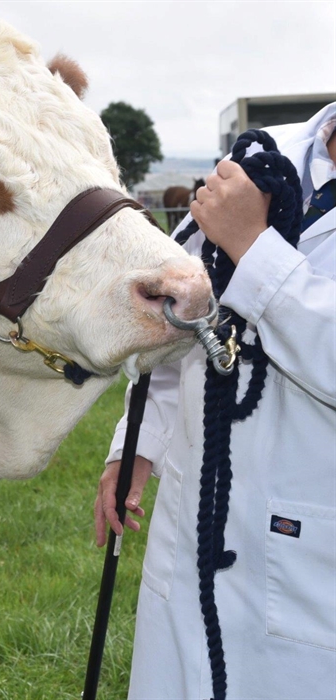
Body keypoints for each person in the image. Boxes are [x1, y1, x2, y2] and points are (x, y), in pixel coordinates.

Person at [95, 102, 336, 699]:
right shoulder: (260, 156)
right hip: (190, 530)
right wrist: (139, 443)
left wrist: (255, 251)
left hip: (311, 570)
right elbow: (198, 317)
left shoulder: (245, 198)